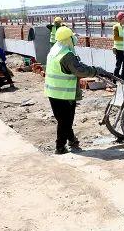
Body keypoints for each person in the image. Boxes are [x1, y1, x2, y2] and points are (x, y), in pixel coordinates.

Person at [45, 26, 114, 154]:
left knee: (63, 119)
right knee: (65, 120)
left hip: (52, 92)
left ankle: (71, 139)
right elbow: (80, 70)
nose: (74, 39)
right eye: (72, 37)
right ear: (68, 39)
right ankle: (59, 147)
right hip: (64, 94)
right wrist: (97, 70)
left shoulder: (54, 51)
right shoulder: (67, 55)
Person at [113, 12, 124, 80]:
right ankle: (115, 80)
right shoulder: (116, 27)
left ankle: (123, 80)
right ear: (120, 20)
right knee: (118, 66)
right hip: (119, 50)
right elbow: (116, 38)